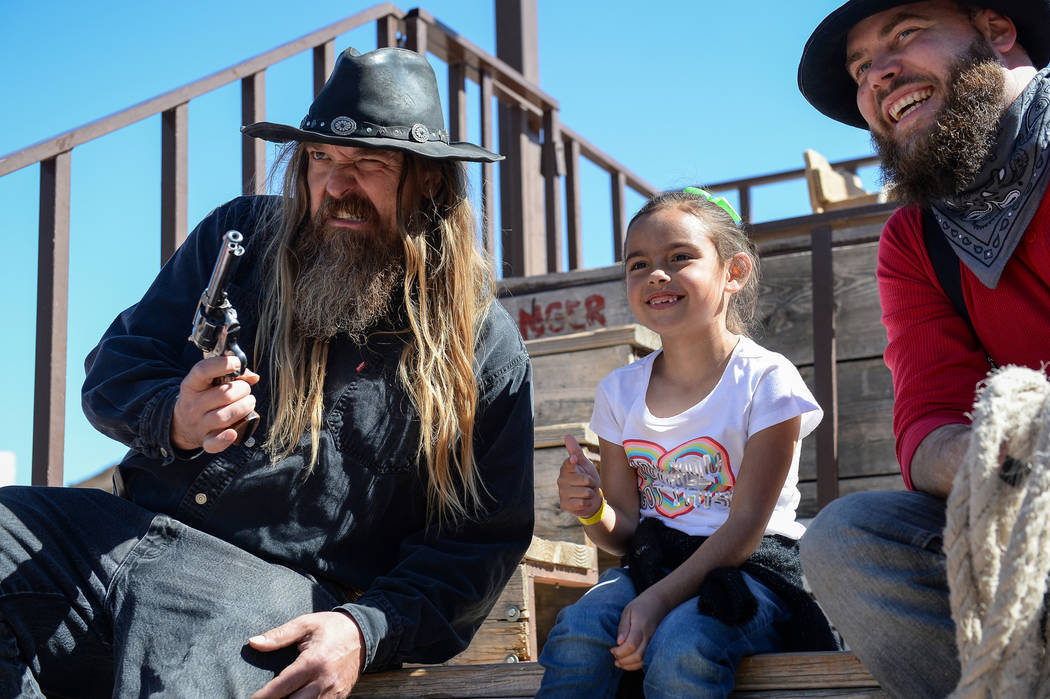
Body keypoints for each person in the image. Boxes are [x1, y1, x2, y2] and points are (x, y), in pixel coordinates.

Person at [0, 46, 535, 697]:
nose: (337, 185)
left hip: (267, 585)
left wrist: (365, 628)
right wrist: (171, 414)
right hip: (126, 534)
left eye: (369, 164)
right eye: (321, 159)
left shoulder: (482, 345)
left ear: (427, 181)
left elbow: (476, 546)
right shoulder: (239, 237)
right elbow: (114, 369)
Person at [796, 1, 1050, 696]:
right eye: (859, 67)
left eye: (905, 34)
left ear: (998, 31)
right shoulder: (916, 239)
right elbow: (929, 424)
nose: (879, 73)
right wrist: (1012, 455)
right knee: (846, 541)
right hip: (1030, 504)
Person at [536, 189, 835, 699]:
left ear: (733, 272)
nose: (656, 274)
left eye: (680, 258)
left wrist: (657, 601)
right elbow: (624, 532)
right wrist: (592, 511)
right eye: (639, 264)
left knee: (682, 644)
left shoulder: (767, 381)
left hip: (753, 569)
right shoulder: (618, 392)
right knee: (579, 631)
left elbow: (743, 530)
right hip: (652, 564)